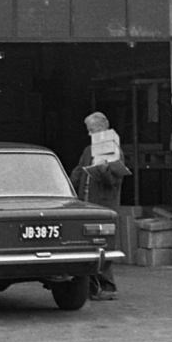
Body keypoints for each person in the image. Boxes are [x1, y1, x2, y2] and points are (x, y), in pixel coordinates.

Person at [71, 111, 128, 299]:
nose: (89, 134)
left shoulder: (115, 151)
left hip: (103, 205)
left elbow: (113, 182)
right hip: (87, 204)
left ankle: (108, 287)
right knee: (87, 246)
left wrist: (103, 170)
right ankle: (92, 286)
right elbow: (79, 172)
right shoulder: (88, 151)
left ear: (101, 129)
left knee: (102, 246)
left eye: (91, 130)